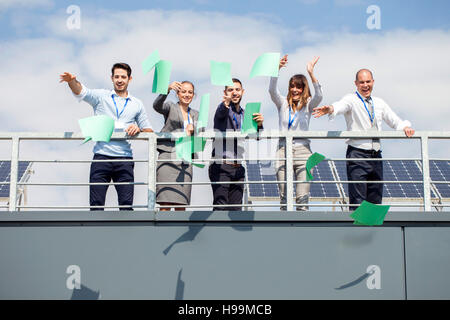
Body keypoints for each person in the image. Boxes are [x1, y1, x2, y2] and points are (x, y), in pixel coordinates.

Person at [312, 69, 415, 210]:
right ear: (356, 84)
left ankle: (372, 231)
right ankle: (358, 230)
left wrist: (405, 127)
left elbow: (394, 120)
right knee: (358, 201)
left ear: (373, 82)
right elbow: (340, 106)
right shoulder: (351, 99)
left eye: (368, 81)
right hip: (358, 154)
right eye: (362, 82)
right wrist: (330, 109)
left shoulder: (379, 103)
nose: (365, 85)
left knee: (375, 199)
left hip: (376, 156)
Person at [60, 63, 153, 211]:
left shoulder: (137, 104)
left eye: (123, 77)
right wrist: (71, 81)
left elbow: (149, 131)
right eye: (116, 77)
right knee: (96, 206)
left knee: (126, 207)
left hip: (125, 160)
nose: (120, 80)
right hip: (101, 158)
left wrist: (138, 128)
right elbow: (81, 92)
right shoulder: (101, 97)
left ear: (130, 79)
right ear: (112, 78)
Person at [269, 55, 323, 211]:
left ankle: (302, 229)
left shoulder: (308, 104)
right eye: (292, 86)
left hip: (303, 151)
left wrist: (311, 72)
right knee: (284, 197)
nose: (294, 90)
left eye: (298, 87)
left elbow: (319, 96)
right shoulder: (282, 103)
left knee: (302, 198)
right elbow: (272, 90)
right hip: (282, 150)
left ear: (303, 88)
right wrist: (276, 69)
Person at [209, 78, 264, 211]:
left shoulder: (246, 114)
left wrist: (260, 125)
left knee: (236, 212)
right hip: (221, 166)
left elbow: (256, 137)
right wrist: (225, 103)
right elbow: (220, 113)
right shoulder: (222, 109)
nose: (234, 92)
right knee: (220, 208)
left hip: (238, 168)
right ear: (225, 92)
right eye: (230, 90)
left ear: (242, 92)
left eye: (237, 89)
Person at [153, 81, 199, 211]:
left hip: (185, 161)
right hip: (168, 158)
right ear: (178, 94)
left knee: (181, 203)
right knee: (165, 203)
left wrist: (193, 130)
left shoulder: (196, 114)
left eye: (190, 92)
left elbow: (200, 134)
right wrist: (166, 90)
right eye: (183, 91)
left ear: (193, 95)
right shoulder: (170, 107)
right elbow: (156, 106)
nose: (186, 94)